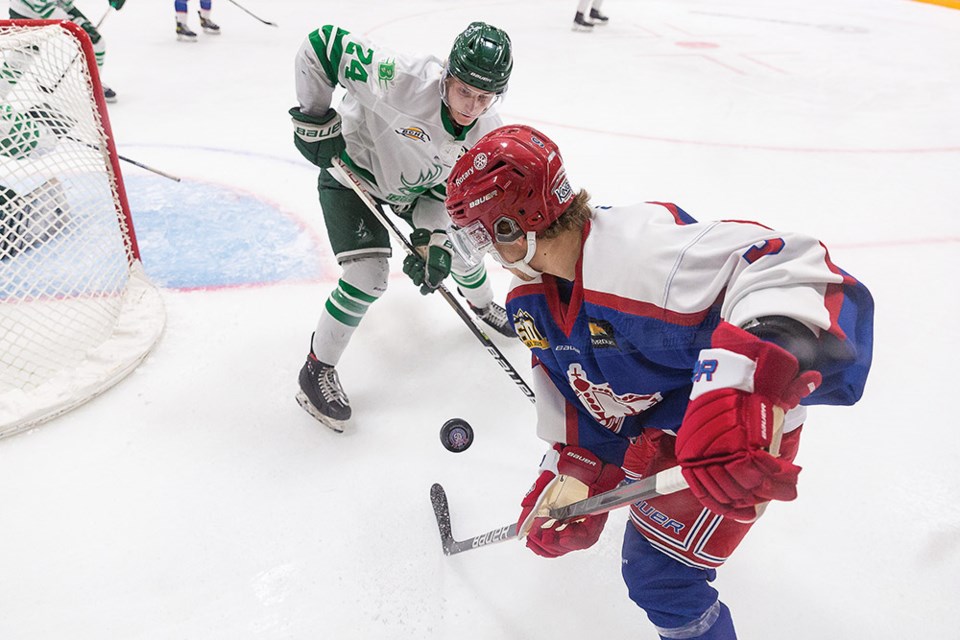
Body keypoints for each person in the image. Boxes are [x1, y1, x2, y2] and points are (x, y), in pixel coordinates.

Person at [444, 125, 874, 640]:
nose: (486, 252)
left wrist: (746, 386)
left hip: (729, 429)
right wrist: (578, 468)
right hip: (660, 424)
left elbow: (788, 265)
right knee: (648, 543)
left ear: (514, 226)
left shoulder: (637, 258)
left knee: (660, 576)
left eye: (481, 234)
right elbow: (577, 393)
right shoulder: (531, 303)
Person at [289, 22, 516, 431]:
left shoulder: (486, 137)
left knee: (461, 251)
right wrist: (314, 117)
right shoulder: (399, 79)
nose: (471, 106)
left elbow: (442, 196)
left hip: (414, 191)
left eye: (484, 97)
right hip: (351, 175)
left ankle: (482, 303)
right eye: (465, 90)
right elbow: (322, 45)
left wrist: (434, 241)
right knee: (368, 277)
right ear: (447, 74)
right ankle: (315, 370)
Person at [8, 0, 124, 102]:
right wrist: (72, 23)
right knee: (23, 56)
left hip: (59, 5)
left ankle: (94, 85)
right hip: (25, 11)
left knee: (97, 43)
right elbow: (43, 8)